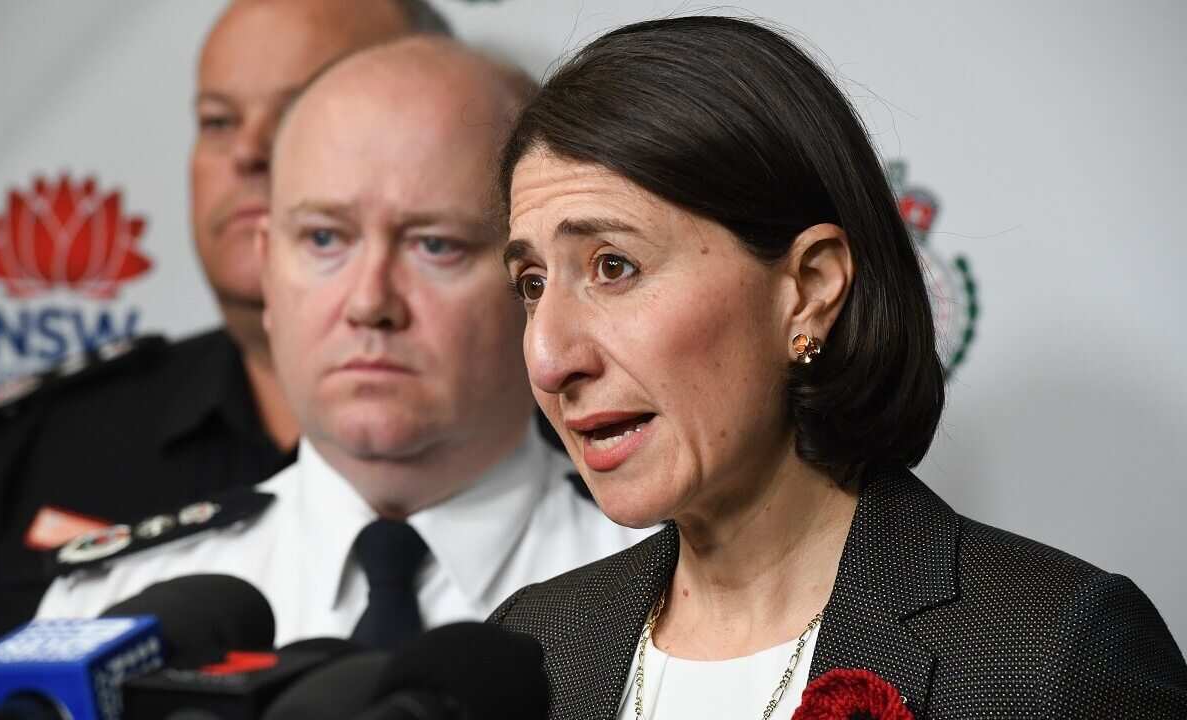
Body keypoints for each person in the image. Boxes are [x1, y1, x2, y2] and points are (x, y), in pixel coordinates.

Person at [490, 16, 1187, 719]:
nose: (551, 359)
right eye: (531, 284)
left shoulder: (1053, 656)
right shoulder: (534, 649)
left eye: (615, 267)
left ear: (811, 288)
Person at [36, 36, 651, 648]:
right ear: (267, 269)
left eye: (435, 244)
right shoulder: (115, 607)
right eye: (325, 240)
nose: (369, 303)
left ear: (531, 282)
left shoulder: (677, 594)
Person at [0, 0, 452, 651]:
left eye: (302, 111)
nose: (250, 151)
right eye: (218, 120)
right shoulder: (62, 436)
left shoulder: (574, 442)